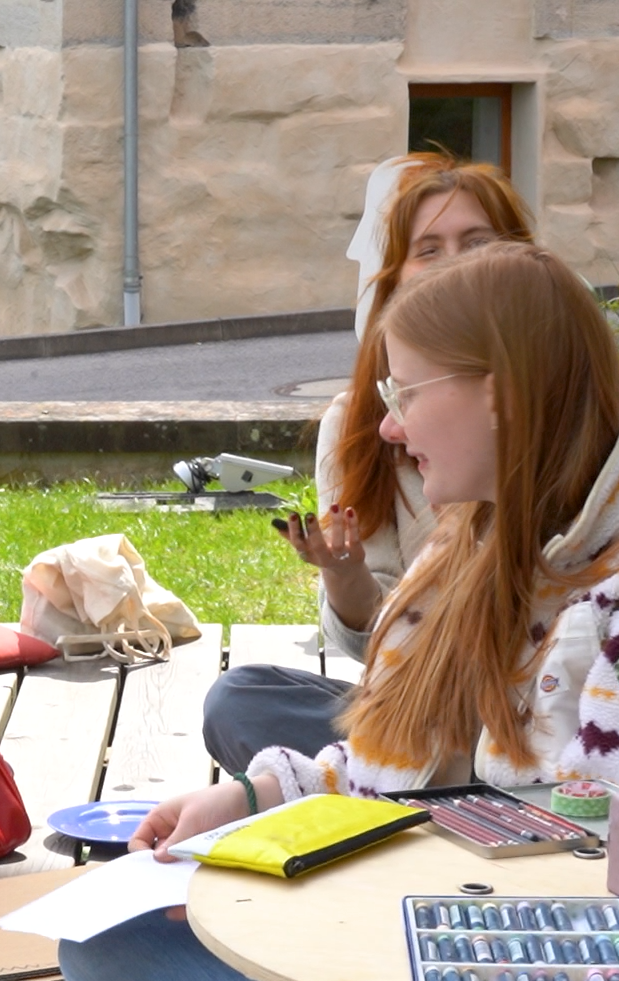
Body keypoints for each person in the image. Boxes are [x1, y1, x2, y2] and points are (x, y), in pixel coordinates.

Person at [34, 244, 619, 981]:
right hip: (421, 933)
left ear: (498, 395)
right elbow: (384, 772)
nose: (389, 424)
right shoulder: (471, 533)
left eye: (405, 392)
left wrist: (371, 882)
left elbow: (615, 872)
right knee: (107, 943)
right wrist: (255, 798)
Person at [201, 154, 536, 772]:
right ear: (393, 280)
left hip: (537, 710)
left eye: (476, 241)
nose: (456, 263)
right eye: (428, 249)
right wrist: (347, 577)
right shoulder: (358, 426)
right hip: (425, 702)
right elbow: (379, 649)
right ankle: (414, 779)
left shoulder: (562, 403)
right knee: (240, 700)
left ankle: (412, 786)